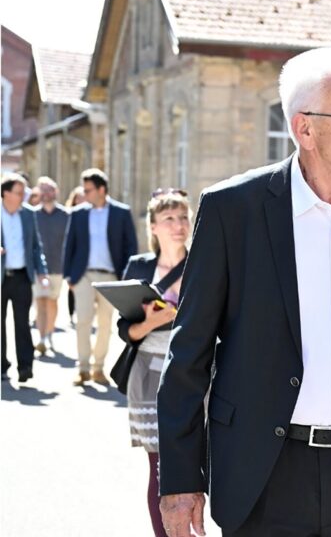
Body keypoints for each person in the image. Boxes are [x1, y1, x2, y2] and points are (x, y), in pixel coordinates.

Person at [157, 47, 331, 537]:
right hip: (265, 473)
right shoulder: (234, 210)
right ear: (303, 129)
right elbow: (189, 355)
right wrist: (182, 480)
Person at [113, 189, 191, 537]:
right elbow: (124, 331)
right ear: (154, 227)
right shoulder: (139, 267)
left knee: (197, 462)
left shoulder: (205, 260)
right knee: (160, 467)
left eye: (184, 217)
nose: (179, 225)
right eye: (170, 219)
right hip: (147, 373)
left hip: (195, 371)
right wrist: (150, 323)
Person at [62, 168, 139, 386]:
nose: (84, 194)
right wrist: (69, 275)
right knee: (83, 321)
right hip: (83, 275)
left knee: (105, 324)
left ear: (101, 189)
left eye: (88, 190)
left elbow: (130, 246)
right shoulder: (78, 213)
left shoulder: (121, 213)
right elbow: (70, 245)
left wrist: (128, 277)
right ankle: (83, 368)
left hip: (111, 277)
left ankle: (98, 368)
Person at [1, 174, 49, 382]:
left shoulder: (28, 214)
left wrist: (42, 271)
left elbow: (36, 246)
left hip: (22, 277)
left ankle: (25, 366)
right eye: (19, 193)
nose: (23, 196)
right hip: (2, 277)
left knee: (22, 323)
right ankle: (2, 365)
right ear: (5, 193)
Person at [32, 177, 70, 353]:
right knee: (40, 301)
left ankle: (49, 333)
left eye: (50, 189)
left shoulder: (66, 216)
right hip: (37, 269)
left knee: (52, 302)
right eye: (43, 190)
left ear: (56, 192)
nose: (47, 193)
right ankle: (42, 338)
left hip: (57, 267)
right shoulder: (32, 215)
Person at [65, 186, 86, 328]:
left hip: (85, 258)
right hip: (74, 256)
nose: (80, 200)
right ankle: (72, 313)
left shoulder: (90, 213)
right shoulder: (70, 214)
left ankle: (83, 314)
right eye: (78, 197)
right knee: (72, 288)